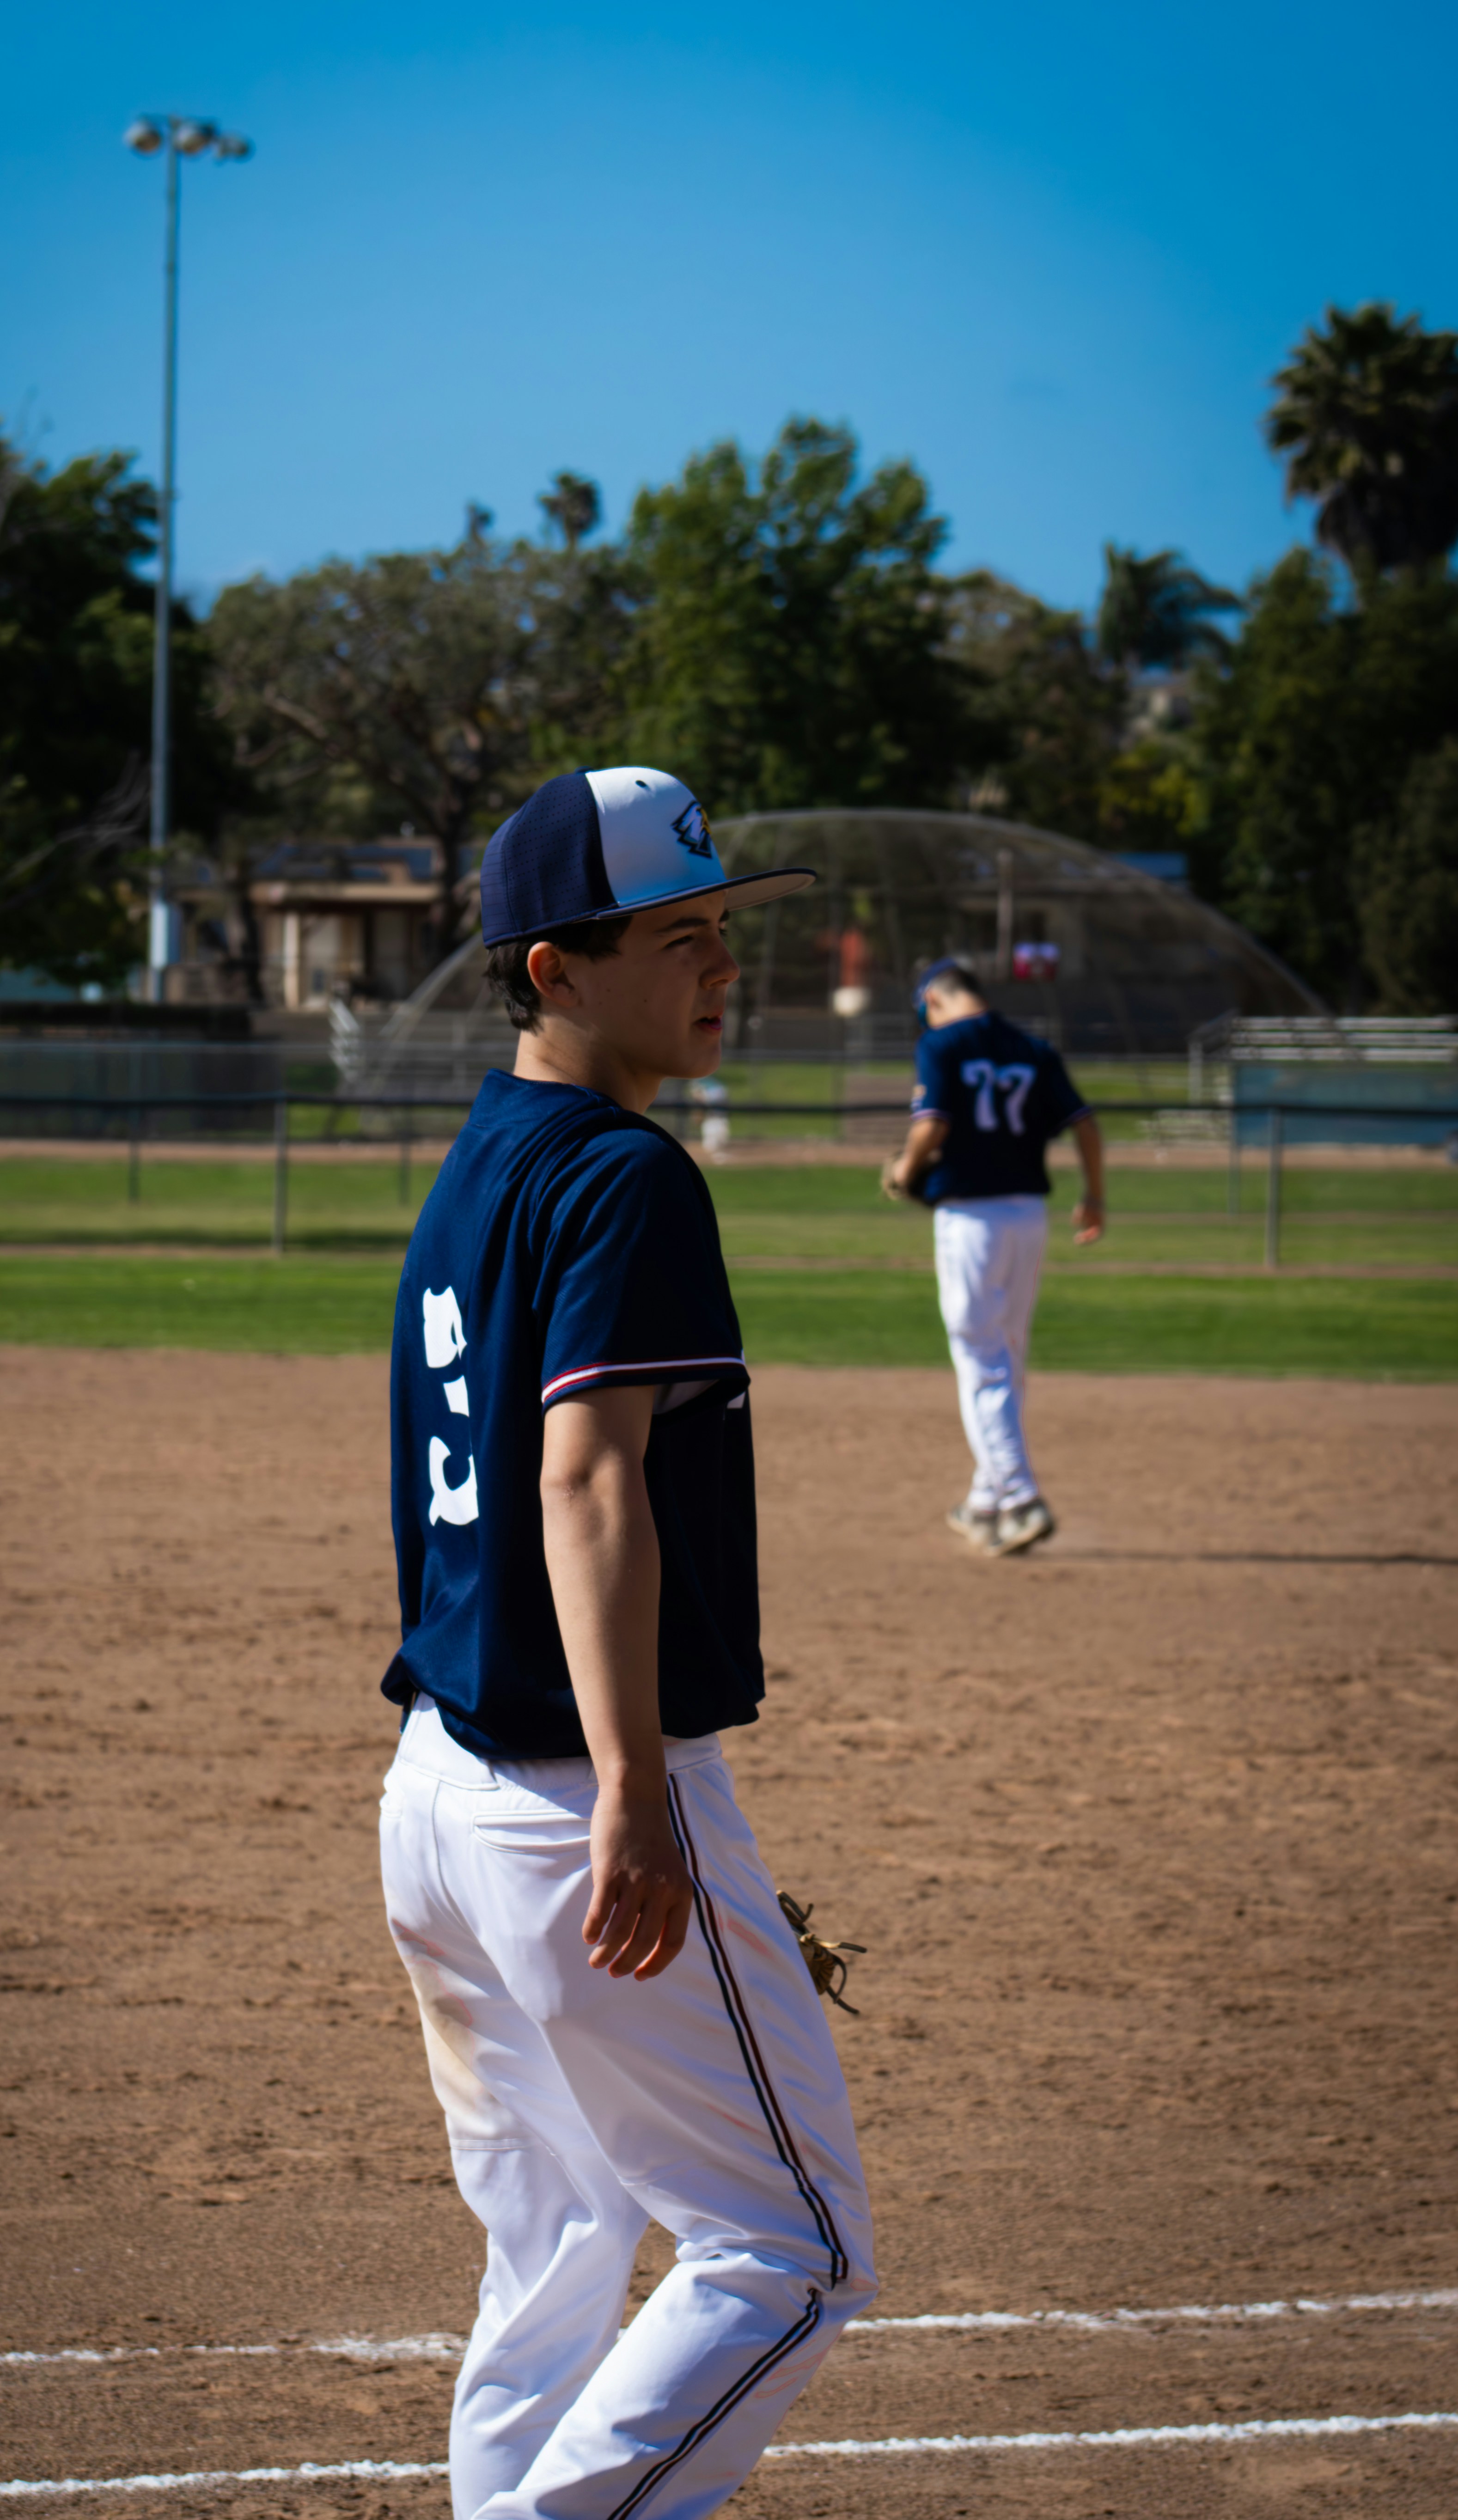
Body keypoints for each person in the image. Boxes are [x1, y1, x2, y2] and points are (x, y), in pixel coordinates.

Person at [378, 765, 877, 2520]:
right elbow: (586, 1481)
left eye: (722, 930)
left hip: (435, 1790)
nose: (718, 966)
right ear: (552, 971)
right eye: (674, 938)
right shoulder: (624, 1178)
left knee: (564, 2235)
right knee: (791, 2248)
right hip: (568, 1794)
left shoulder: (480, 1166)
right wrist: (633, 1793)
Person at [881, 957, 1106, 1556]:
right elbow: (1084, 1124)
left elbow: (931, 1126)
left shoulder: (941, 1043)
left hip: (971, 1219)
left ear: (934, 1000)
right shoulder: (1032, 1047)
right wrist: (1095, 1196)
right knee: (1006, 1353)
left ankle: (1022, 1495)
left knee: (980, 1357)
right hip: (1028, 1216)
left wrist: (903, 1171)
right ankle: (986, 1502)